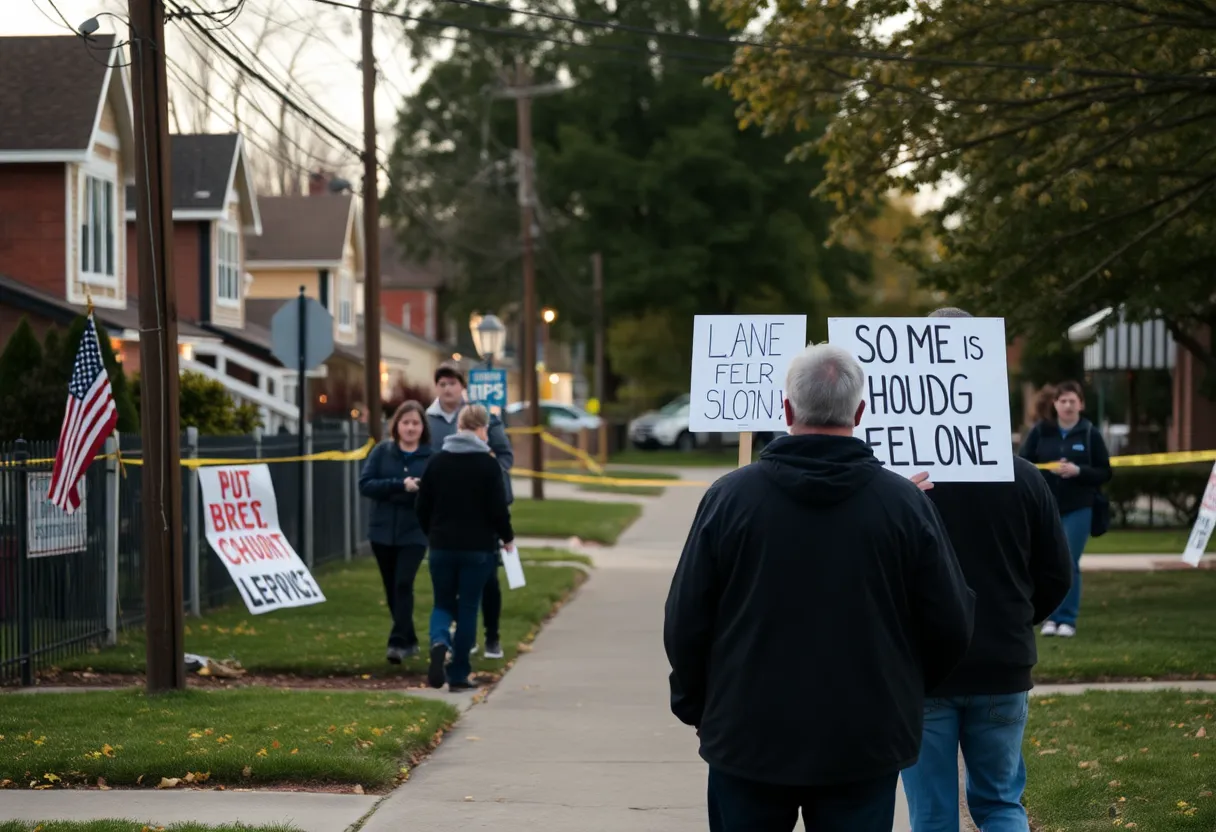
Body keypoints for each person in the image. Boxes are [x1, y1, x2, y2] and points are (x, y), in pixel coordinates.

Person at [664, 342, 975, 832]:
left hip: (748, 733)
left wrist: (695, 702)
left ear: (786, 409)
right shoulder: (904, 505)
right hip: (863, 737)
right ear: (860, 411)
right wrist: (901, 689)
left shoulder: (729, 499)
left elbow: (685, 619)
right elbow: (952, 622)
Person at [900, 308, 1073, 832]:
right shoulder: (1024, 479)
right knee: (999, 805)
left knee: (932, 813)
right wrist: (1015, 617)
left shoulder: (897, 487)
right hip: (1002, 663)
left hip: (925, 668)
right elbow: (1056, 575)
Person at [416, 404, 515, 692]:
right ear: (482, 429)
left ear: (459, 427)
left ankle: (439, 641)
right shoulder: (488, 465)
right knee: (469, 607)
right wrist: (506, 537)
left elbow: (421, 506)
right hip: (478, 548)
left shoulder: (437, 462)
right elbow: (498, 509)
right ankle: (458, 674)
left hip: (441, 546)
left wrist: (431, 533)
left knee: (442, 603)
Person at [427, 363, 514, 660]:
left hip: (482, 513)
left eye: (452, 383)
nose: (447, 388)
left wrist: (486, 474)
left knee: (488, 582)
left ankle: (490, 636)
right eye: (442, 383)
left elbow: (505, 456)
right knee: (458, 594)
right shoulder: (429, 420)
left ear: (462, 387)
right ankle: (462, 657)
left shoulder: (482, 416)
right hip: (448, 514)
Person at [1018, 380, 1112, 638]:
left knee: (1068, 562)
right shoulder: (1040, 432)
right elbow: (1024, 464)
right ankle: (1048, 618)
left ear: (1081, 404)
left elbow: (1105, 471)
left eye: (1073, 400)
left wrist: (1078, 471)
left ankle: (1067, 619)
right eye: (1063, 401)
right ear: (1055, 404)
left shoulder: (1090, 433)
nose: (1068, 405)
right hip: (1046, 508)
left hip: (1079, 507)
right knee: (1044, 562)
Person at [358, 400, 434, 664]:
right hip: (382, 532)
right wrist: (399, 485)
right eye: (406, 423)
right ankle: (410, 637)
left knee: (403, 583)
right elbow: (366, 484)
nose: (411, 428)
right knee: (391, 588)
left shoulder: (430, 457)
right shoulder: (382, 452)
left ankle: (397, 642)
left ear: (423, 427)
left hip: (414, 532)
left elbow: (436, 493)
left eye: (415, 423)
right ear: (397, 426)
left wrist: (418, 490)